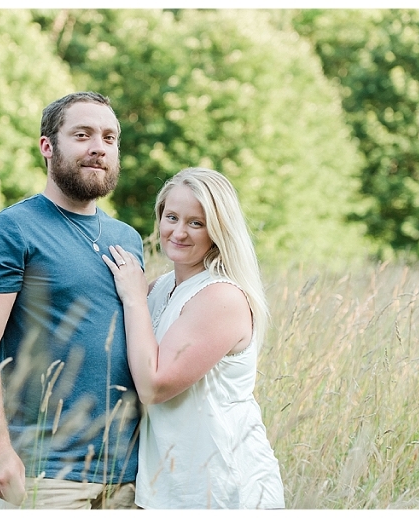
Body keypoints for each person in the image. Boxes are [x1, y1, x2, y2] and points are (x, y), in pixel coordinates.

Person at [0, 92, 144, 509]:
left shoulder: (128, 239)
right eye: (82, 134)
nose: (99, 147)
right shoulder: (12, 231)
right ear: (48, 146)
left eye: (110, 138)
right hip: (49, 474)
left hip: (131, 475)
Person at [102, 167, 285, 509]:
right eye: (171, 217)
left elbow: (154, 385)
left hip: (224, 487)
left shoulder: (221, 297)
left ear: (218, 230)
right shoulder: (158, 290)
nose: (179, 232)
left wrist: (131, 298)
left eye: (196, 223)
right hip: (168, 486)